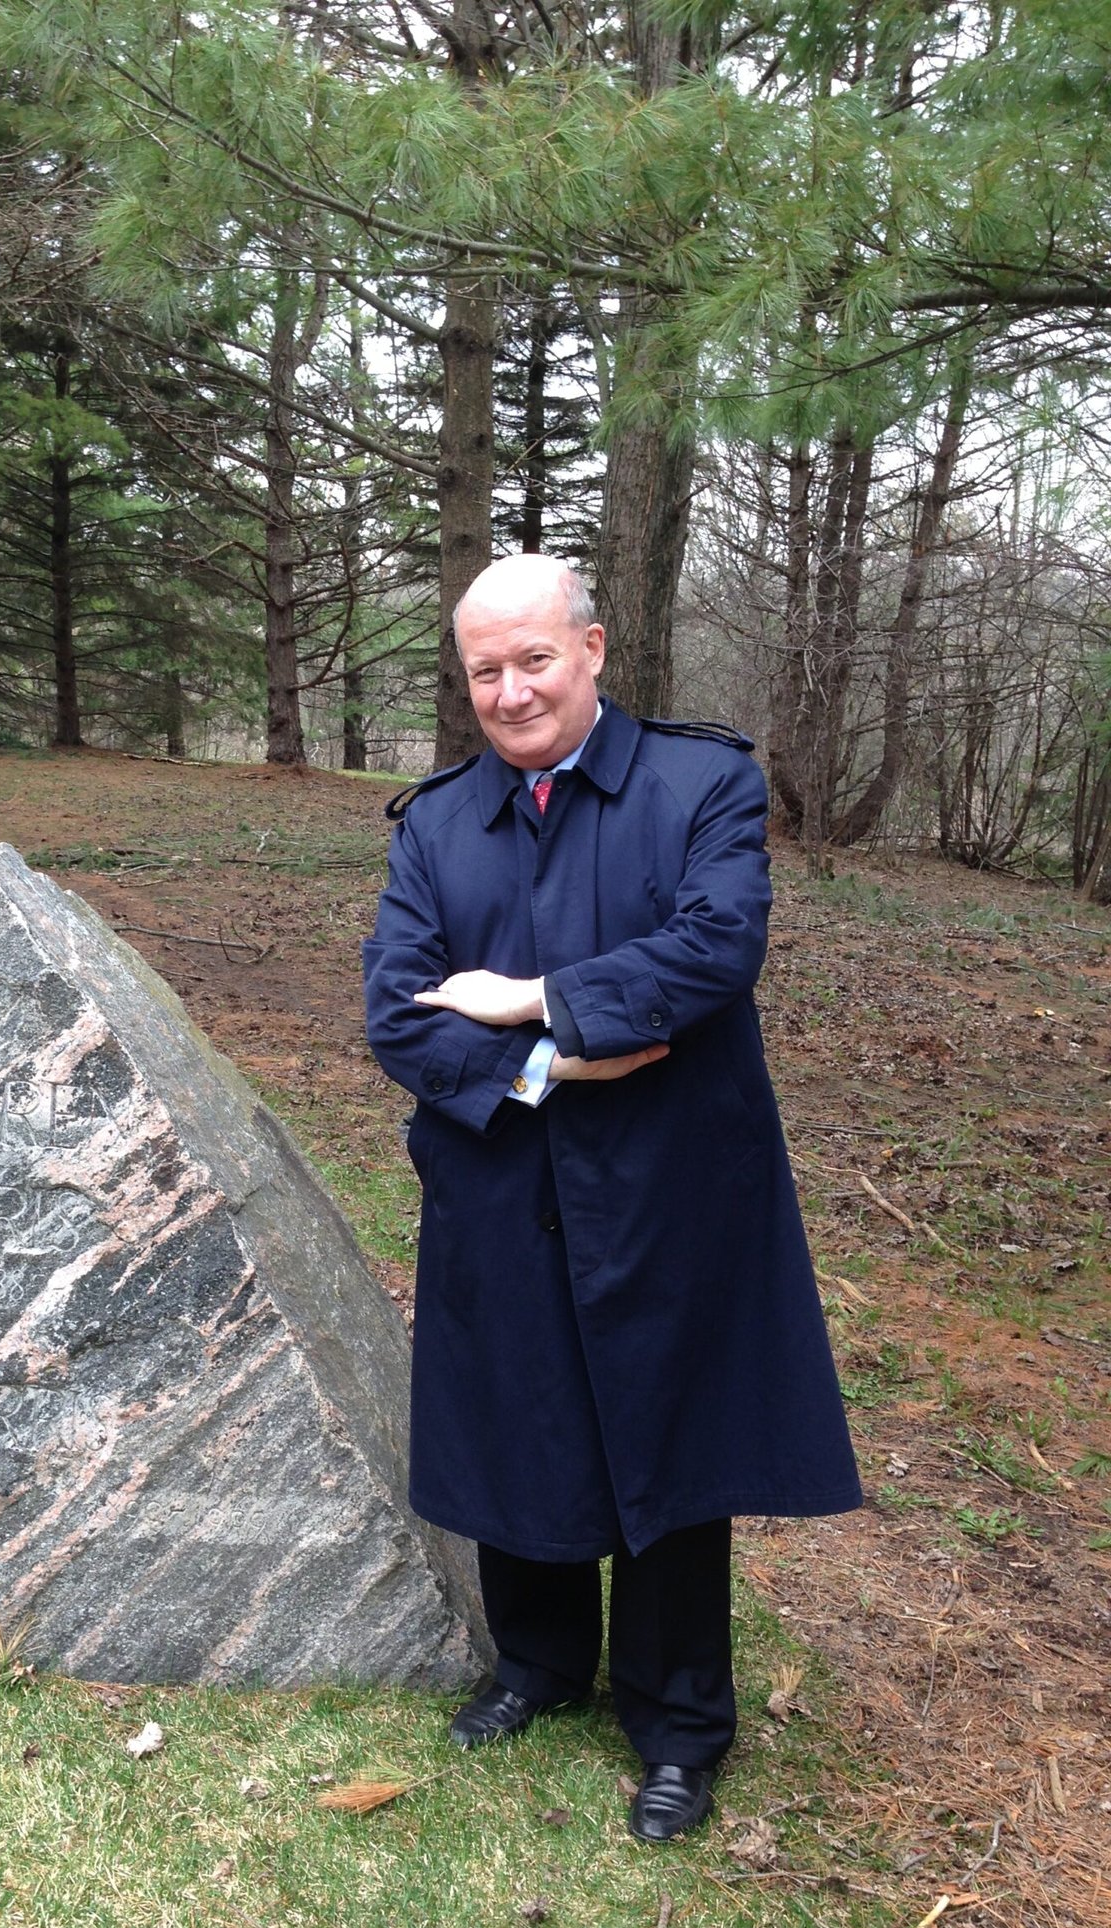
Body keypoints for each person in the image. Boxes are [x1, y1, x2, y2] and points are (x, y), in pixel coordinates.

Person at [362, 552, 861, 1841]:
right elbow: (399, 1011)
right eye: (486, 670)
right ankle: (537, 1663)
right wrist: (554, 1063)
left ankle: (678, 1723)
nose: (512, 691)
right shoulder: (437, 824)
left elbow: (715, 948)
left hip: (667, 1182)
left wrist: (530, 998)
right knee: (518, 1411)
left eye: (535, 659)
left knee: (667, 1435)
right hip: (500, 1171)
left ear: (591, 650)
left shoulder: (702, 784)